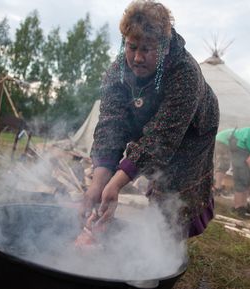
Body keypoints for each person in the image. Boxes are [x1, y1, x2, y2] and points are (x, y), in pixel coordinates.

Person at [81, 0, 219, 239]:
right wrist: (99, 182)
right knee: (148, 171)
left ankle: (168, 246)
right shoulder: (118, 70)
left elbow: (161, 137)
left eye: (146, 49)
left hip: (192, 131)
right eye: (131, 47)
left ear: (164, 47)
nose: (136, 57)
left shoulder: (186, 72)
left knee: (174, 187)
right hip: (149, 124)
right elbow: (110, 124)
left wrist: (115, 185)